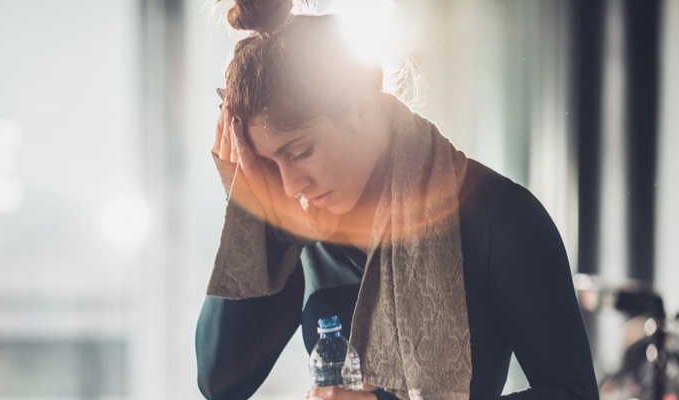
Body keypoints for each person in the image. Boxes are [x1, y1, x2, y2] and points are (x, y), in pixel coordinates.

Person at [196, 1, 599, 400]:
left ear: (361, 106)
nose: (288, 187)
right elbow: (222, 384)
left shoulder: (501, 217)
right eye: (269, 164)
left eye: (300, 152)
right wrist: (250, 211)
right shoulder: (299, 227)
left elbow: (574, 393)